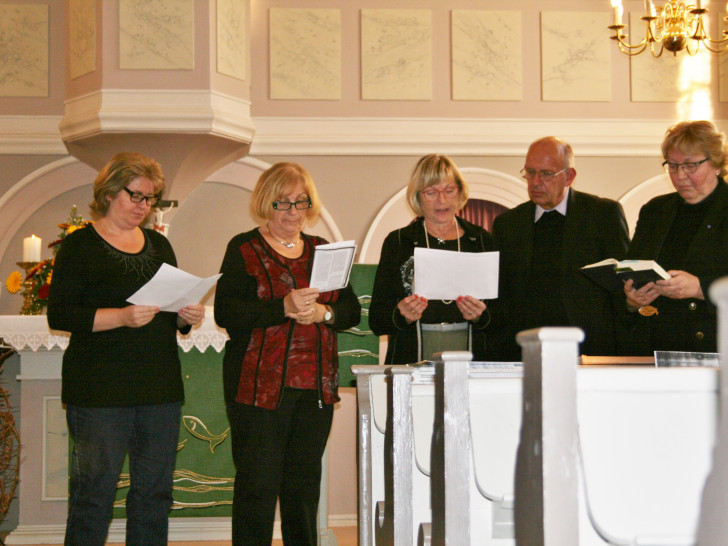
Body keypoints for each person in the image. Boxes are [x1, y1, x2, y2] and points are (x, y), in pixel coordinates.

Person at [47, 152, 205, 546]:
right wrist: (121, 317)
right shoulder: (80, 246)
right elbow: (61, 315)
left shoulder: (159, 246)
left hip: (158, 389)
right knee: (93, 496)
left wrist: (186, 315)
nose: (143, 207)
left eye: (150, 199)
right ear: (109, 191)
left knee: (154, 495)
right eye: (135, 196)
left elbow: (170, 317)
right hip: (100, 392)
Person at [214, 162, 361, 545]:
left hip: (315, 385)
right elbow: (226, 313)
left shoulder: (322, 250)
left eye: (301, 202)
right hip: (259, 388)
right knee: (257, 487)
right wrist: (283, 307)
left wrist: (322, 313)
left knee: (303, 487)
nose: (294, 212)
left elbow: (350, 310)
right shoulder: (243, 247)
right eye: (283, 203)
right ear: (266, 203)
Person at [490, 136, 630, 360]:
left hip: (589, 350)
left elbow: (621, 286)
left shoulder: (603, 215)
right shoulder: (508, 224)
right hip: (524, 352)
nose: (535, 182)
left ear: (569, 176)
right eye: (530, 172)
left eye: (546, 174)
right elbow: (501, 295)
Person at [369, 154, 496, 364]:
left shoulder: (481, 241)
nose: (442, 200)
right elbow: (377, 320)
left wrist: (481, 316)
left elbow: (503, 315)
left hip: (472, 357)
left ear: (460, 192)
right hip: (411, 355)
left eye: (449, 190)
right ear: (417, 196)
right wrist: (401, 315)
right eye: (431, 192)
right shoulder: (399, 242)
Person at [624, 120, 728, 354]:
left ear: (717, 164)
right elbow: (634, 266)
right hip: (654, 345)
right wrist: (632, 299)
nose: (680, 175)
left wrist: (700, 288)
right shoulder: (655, 210)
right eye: (672, 165)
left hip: (715, 347)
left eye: (691, 165)